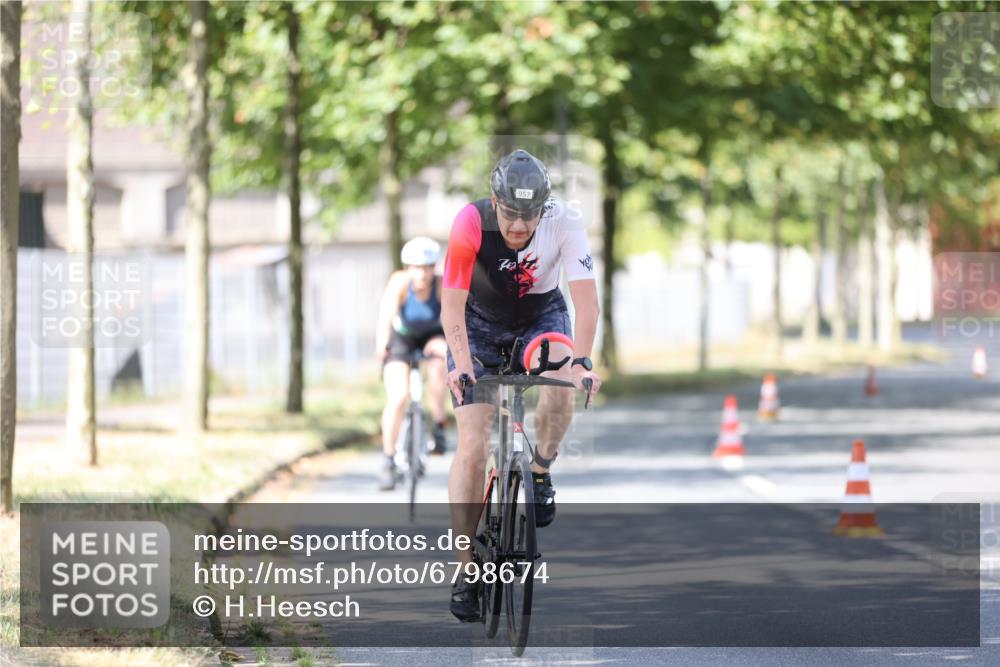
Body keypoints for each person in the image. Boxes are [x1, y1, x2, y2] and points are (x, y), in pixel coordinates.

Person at [440, 149, 602, 621]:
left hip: (540, 316)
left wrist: (584, 360)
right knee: (472, 442)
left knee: (562, 382)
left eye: (530, 215)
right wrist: (462, 366)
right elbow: (452, 307)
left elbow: (586, 303)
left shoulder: (566, 222)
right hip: (478, 322)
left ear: (545, 208)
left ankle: (540, 471)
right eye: (510, 214)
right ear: (496, 202)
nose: (518, 226)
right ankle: (466, 568)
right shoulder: (470, 221)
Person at [374, 237, 450, 491]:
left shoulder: (440, 284)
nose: (422, 273)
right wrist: (382, 348)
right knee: (398, 397)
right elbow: (385, 316)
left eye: (428, 267)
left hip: (433, 335)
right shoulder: (399, 282)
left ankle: (438, 424)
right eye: (417, 267)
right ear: (408, 267)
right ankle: (388, 459)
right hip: (402, 337)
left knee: (440, 364)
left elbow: (451, 319)